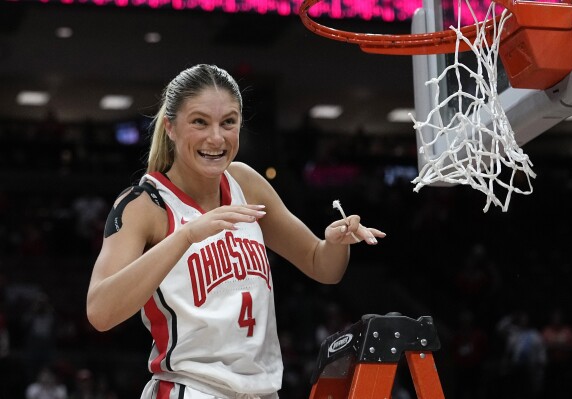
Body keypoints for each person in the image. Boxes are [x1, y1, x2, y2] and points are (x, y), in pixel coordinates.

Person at [86, 64, 386, 399]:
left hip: (261, 391)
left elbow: (322, 266)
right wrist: (185, 236)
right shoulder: (145, 204)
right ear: (170, 127)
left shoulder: (245, 182)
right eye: (200, 122)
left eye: (228, 122)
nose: (216, 137)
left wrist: (335, 243)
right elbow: (100, 312)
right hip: (190, 388)